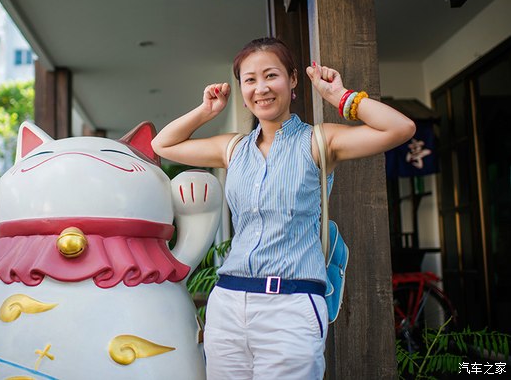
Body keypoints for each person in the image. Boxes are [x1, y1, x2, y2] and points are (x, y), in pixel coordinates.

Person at [151, 37, 415, 379]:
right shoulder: (233, 149)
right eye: (250, 80)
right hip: (228, 304)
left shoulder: (318, 141)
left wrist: (340, 96)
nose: (261, 88)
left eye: (271, 75)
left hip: (291, 306)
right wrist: (207, 111)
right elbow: (163, 144)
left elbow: (401, 128)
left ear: (292, 80)